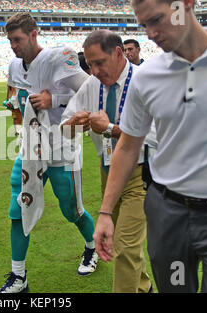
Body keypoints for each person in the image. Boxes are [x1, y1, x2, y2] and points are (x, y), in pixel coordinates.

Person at [94, 0, 207, 293]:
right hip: (170, 216)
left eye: (156, 19)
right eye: (144, 25)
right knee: (176, 288)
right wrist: (105, 212)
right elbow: (129, 146)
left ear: (186, 4)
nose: (151, 33)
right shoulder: (148, 77)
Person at [0, 13, 97, 293]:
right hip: (30, 149)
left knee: (72, 210)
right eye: (10, 41)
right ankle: (19, 276)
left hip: (62, 147)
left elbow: (90, 89)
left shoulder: (59, 56)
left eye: (17, 40)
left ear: (33, 34)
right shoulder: (15, 66)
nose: (13, 46)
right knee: (19, 208)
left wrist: (57, 99)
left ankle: (92, 247)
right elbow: (19, 96)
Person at [61, 30, 153, 293]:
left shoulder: (144, 82)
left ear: (118, 53)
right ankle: (144, 287)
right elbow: (64, 129)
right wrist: (72, 124)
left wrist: (111, 128)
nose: (94, 70)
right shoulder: (91, 85)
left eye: (99, 62)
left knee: (124, 246)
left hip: (140, 173)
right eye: (89, 65)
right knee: (122, 242)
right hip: (108, 174)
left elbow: (156, 136)